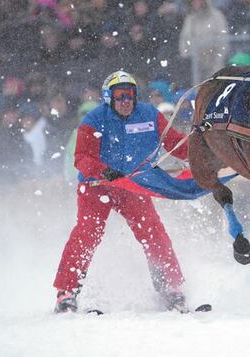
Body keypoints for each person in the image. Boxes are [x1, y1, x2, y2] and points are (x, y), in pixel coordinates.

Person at [53, 71, 191, 313]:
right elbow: (82, 157)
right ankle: (67, 292)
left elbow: (177, 145)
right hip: (97, 186)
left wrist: (204, 146)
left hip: (132, 186)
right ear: (109, 98)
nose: (126, 101)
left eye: (130, 95)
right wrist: (104, 172)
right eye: (119, 96)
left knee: (152, 230)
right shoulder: (94, 120)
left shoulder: (149, 115)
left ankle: (171, 288)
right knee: (87, 233)